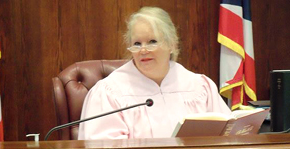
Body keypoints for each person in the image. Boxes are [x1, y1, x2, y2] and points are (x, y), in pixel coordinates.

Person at [78, 7, 231, 140]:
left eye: (152, 41)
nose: (143, 50)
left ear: (172, 44)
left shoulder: (199, 87)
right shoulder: (110, 92)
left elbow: (228, 133)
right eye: (137, 44)